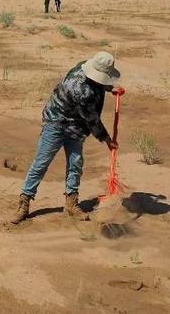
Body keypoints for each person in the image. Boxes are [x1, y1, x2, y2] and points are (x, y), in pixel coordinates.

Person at [10, 51, 122, 224]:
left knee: (75, 163)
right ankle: (24, 203)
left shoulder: (85, 67)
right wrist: (107, 140)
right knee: (41, 163)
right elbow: (92, 119)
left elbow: (97, 83)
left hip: (76, 126)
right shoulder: (80, 89)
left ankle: (71, 203)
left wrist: (109, 88)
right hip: (56, 123)